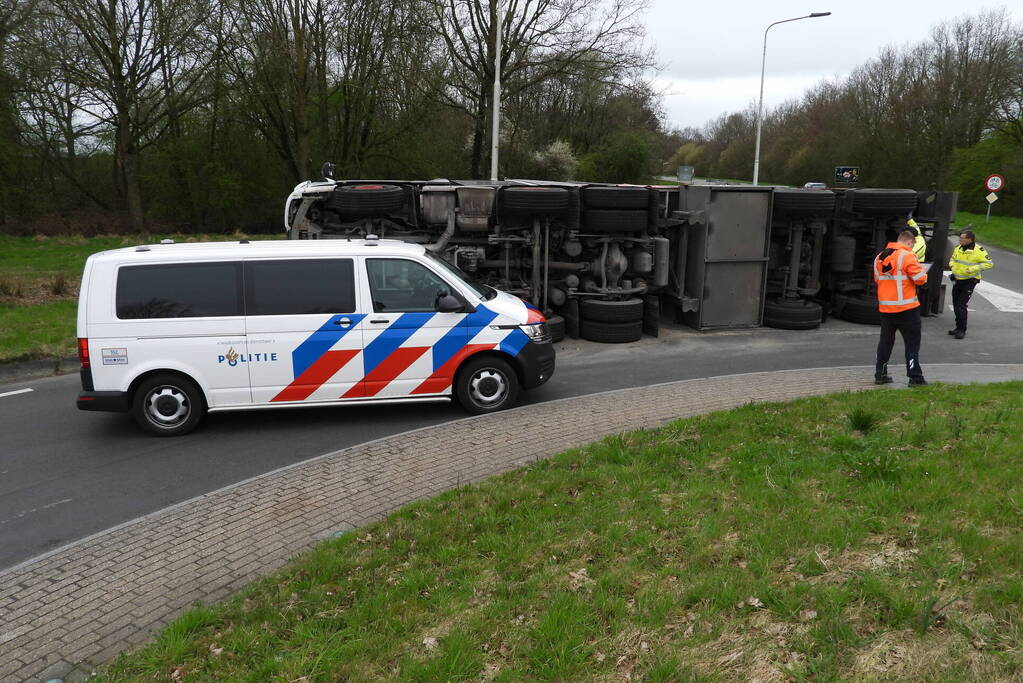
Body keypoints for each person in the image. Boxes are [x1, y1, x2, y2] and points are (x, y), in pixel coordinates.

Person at [873, 230, 928, 386]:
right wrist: (924, 273)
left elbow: (878, 280)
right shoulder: (907, 256)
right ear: (909, 242)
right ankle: (915, 377)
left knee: (885, 342)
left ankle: (880, 374)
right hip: (907, 308)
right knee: (912, 344)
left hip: (886, 309)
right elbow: (920, 279)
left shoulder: (880, 257)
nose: (912, 248)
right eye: (913, 245)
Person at [947, 229, 993, 339]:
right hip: (957, 279)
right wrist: (952, 265)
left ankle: (962, 330)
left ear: (970, 239)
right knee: (955, 304)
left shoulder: (979, 251)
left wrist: (972, 269)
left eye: (962, 238)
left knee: (961, 305)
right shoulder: (958, 248)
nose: (960, 240)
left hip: (969, 281)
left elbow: (989, 264)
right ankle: (957, 327)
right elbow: (952, 259)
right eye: (960, 238)